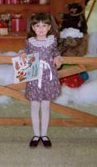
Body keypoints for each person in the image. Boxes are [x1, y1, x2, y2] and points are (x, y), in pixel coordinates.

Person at [19, 12, 63, 148]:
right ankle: (36, 134)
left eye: (44, 25)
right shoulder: (30, 42)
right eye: (37, 25)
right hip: (34, 78)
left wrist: (58, 58)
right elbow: (24, 50)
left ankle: (44, 134)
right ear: (32, 27)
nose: (41, 28)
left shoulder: (52, 41)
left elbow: (56, 52)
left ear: (49, 27)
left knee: (45, 105)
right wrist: (22, 53)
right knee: (34, 105)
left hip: (48, 78)